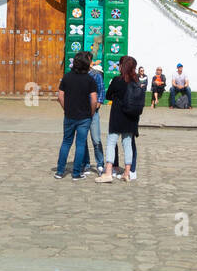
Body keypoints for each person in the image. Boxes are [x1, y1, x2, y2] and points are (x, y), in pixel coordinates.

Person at [98, 55, 143, 182]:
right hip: (131, 118)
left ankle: (108, 172)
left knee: (111, 142)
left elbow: (108, 95)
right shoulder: (136, 82)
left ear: (123, 67)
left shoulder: (117, 80)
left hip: (117, 116)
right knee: (127, 144)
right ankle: (127, 173)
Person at [55, 51, 99, 180]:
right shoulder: (90, 79)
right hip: (84, 117)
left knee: (66, 142)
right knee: (80, 144)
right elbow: (94, 100)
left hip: (69, 115)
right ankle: (76, 173)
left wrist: (66, 108)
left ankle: (59, 171)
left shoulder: (67, 77)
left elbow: (60, 96)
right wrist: (91, 113)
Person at [87, 60, 107, 174]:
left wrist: (98, 104)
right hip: (82, 112)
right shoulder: (79, 75)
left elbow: (101, 91)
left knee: (96, 139)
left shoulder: (96, 75)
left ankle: (100, 164)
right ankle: (86, 163)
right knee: (82, 140)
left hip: (94, 111)